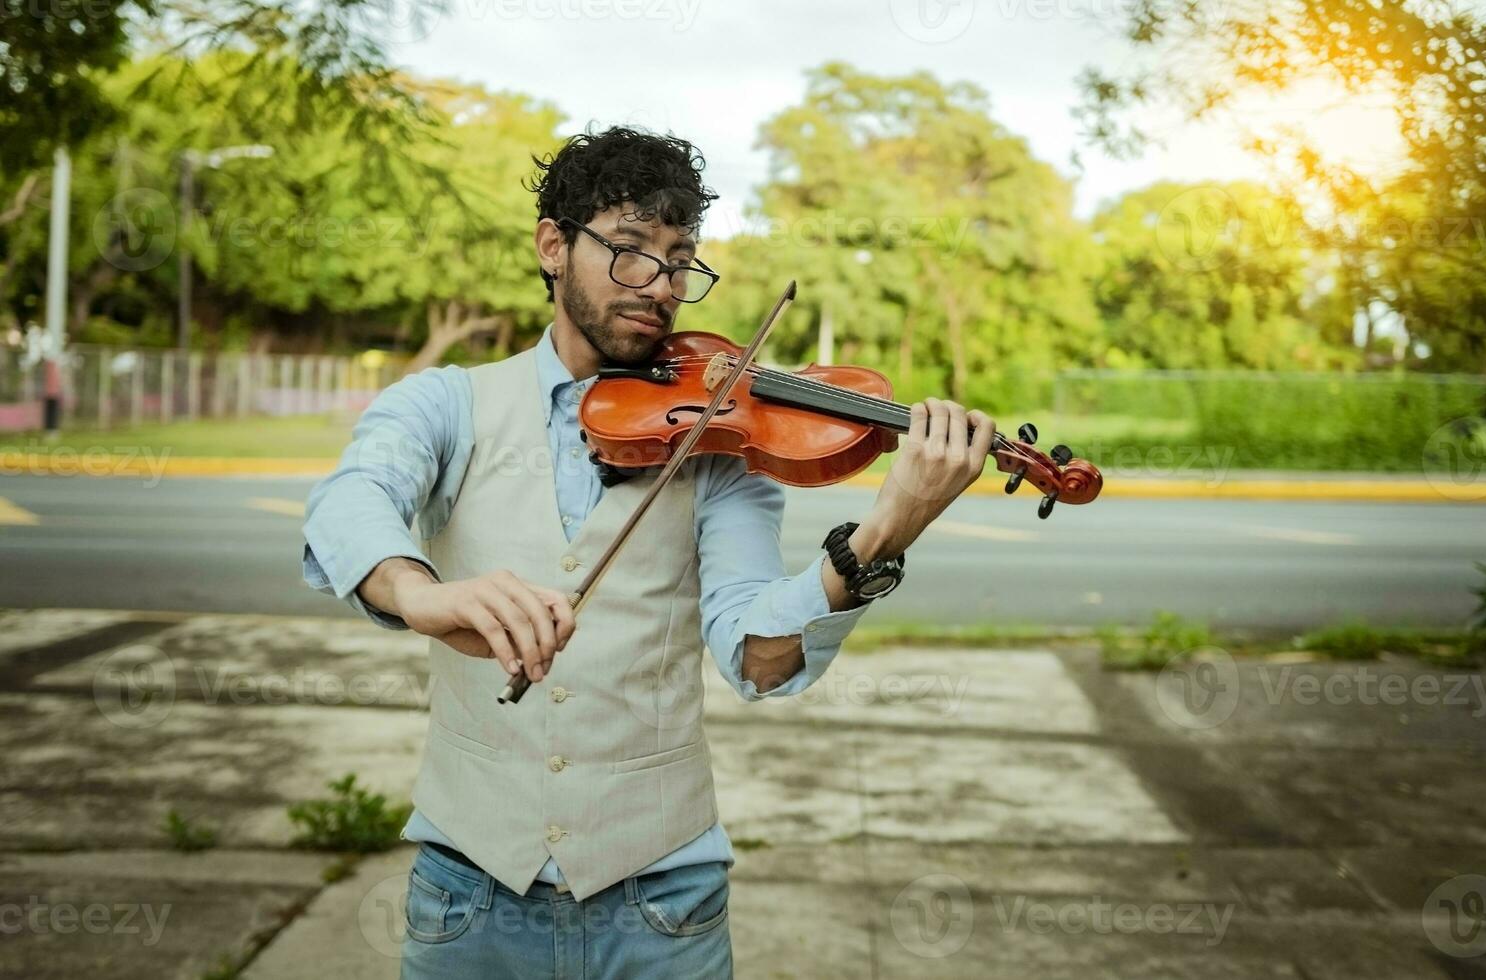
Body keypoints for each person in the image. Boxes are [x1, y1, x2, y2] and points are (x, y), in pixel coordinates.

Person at [302, 125, 994, 979]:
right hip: (466, 892)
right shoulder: (448, 404)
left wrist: (885, 532)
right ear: (554, 246)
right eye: (630, 251)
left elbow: (760, 658)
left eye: (679, 260)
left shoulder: (723, 437)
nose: (660, 285)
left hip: (664, 902)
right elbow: (350, 500)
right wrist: (418, 593)